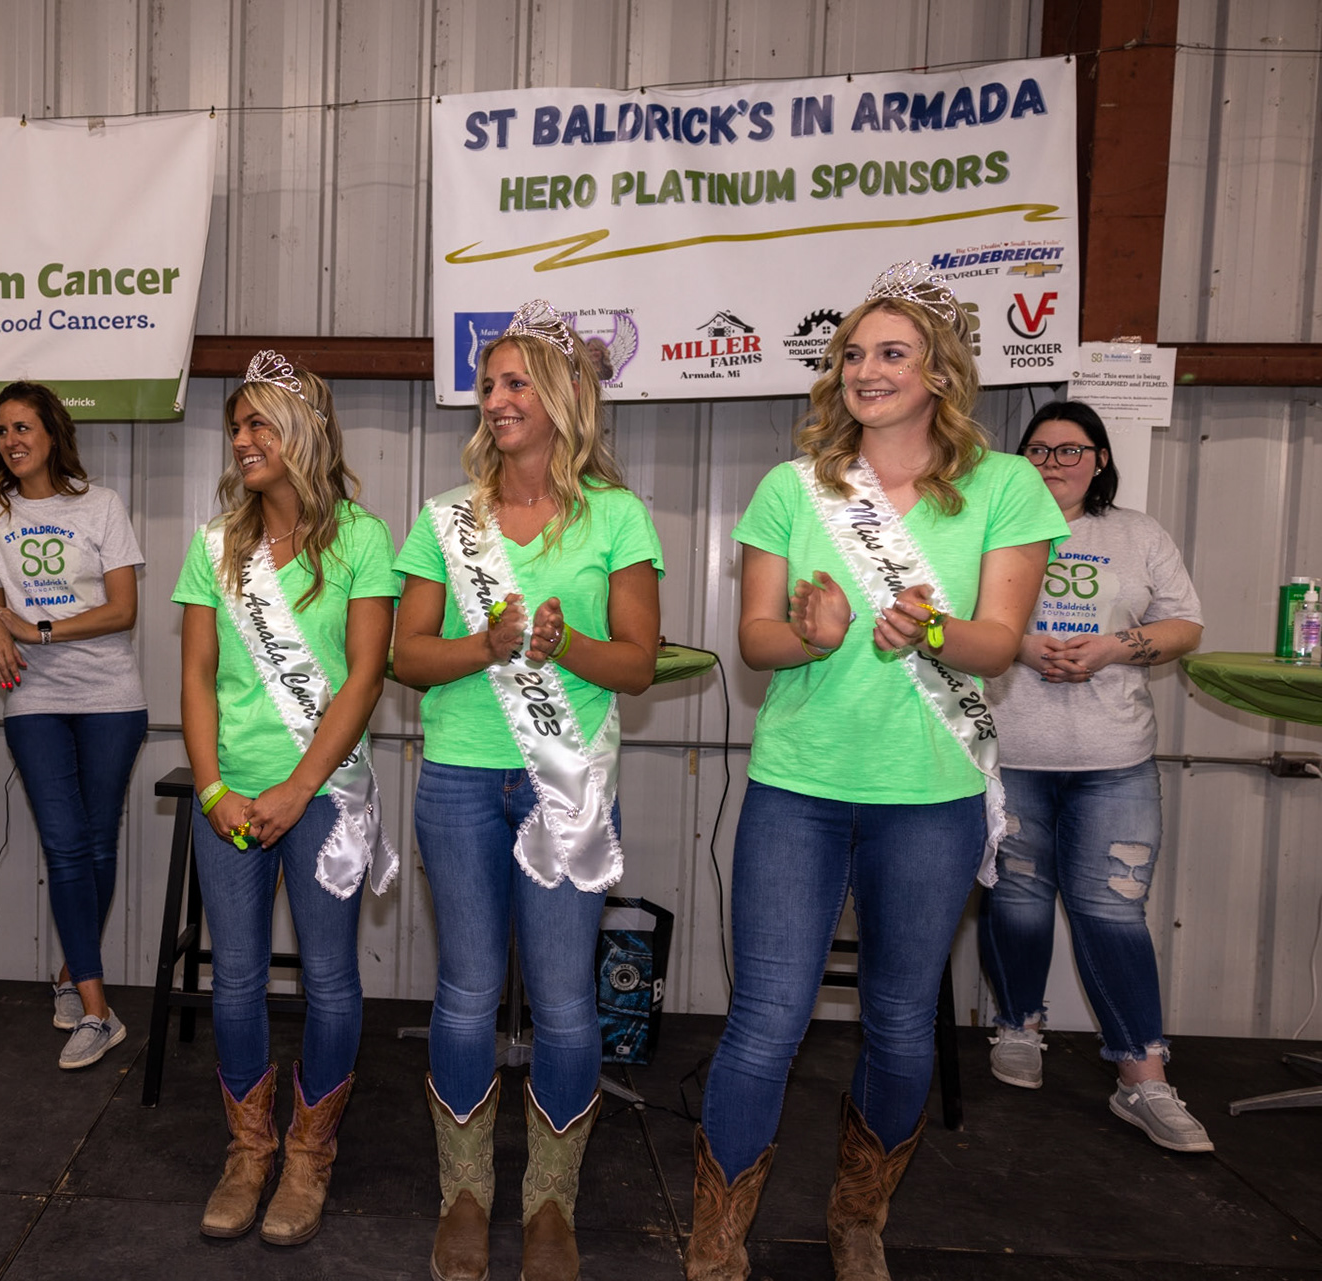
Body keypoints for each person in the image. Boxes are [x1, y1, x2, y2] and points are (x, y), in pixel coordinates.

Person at [688, 263, 1068, 1281]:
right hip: (799, 786)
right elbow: (755, 641)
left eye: (892, 353)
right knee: (766, 1019)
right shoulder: (793, 487)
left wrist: (936, 628)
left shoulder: (1006, 486)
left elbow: (999, 645)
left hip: (930, 794)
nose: (866, 370)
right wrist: (808, 637)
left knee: (901, 1024)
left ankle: (859, 1219)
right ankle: (717, 1234)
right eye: (853, 354)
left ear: (939, 373)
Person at [393, 302, 662, 1281]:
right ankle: (464, 1195)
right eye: (490, 384)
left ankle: (551, 1202)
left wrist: (564, 643)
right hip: (461, 777)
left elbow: (636, 664)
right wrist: (488, 644)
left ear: (561, 399)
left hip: (566, 783)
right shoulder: (445, 519)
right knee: (466, 994)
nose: (497, 399)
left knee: (563, 1001)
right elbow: (407, 656)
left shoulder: (618, 517)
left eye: (516, 383)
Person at [175, 351, 397, 1246]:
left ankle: (309, 1155)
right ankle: (249, 1150)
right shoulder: (212, 546)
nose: (242, 439)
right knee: (234, 978)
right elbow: (195, 675)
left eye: (260, 423)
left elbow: (367, 676)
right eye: (238, 425)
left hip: (324, 793)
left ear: (304, 433)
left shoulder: (363, 540)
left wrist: (300, 786)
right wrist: (212, 787)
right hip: (231, 797)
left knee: (330, 978)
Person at [979, 400, 1210, 1151]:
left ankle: (1143, 1077)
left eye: (1071, 450)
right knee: (1017, 902)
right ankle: (1018, 1025)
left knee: (1113, 911)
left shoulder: (1138, 534)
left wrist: (1112, 647)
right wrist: (1018, 646)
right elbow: (955, 617)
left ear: (1101, 459)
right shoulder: (992, 527)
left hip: (1115, 760)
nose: (1054, 464)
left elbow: (1186, 624)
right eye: (1038, 450)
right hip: (1012, 754)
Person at [0, 380, 147, 1071]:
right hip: (33, 696)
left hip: (110, 695)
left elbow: (123, 609)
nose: (11, 440)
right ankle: (98, 1010)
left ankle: (72, 972)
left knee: (97, 845)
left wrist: (37, 629)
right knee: (66, 846)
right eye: (2, 429)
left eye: (23, 427)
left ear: (52, 434)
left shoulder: (101, 505)